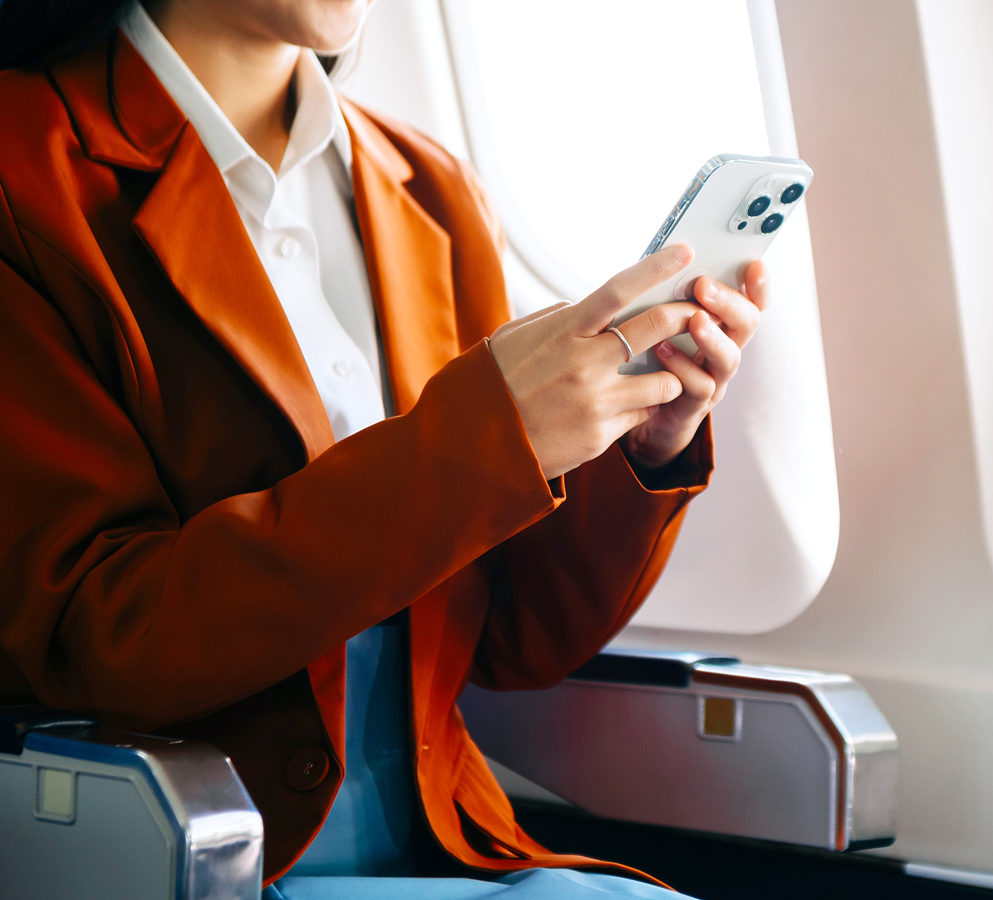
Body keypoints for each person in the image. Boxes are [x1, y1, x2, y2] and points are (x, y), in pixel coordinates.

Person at [0, 0, 770, 896]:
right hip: (195, 854)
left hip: (450, 840)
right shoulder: (24, 171)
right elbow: (94, 637)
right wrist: (484, 444)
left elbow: (514, 644)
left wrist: (640, 444)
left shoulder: (429, 186)